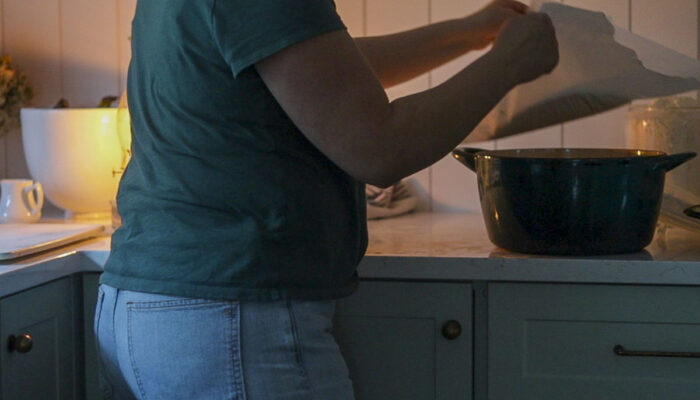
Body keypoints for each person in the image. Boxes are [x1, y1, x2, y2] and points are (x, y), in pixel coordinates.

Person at [94, 0, 558, 399]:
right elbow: (379, 147)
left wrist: (469, 32)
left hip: (151, 303)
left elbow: (317, 66)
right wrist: (508, 65)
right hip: (230, 313)